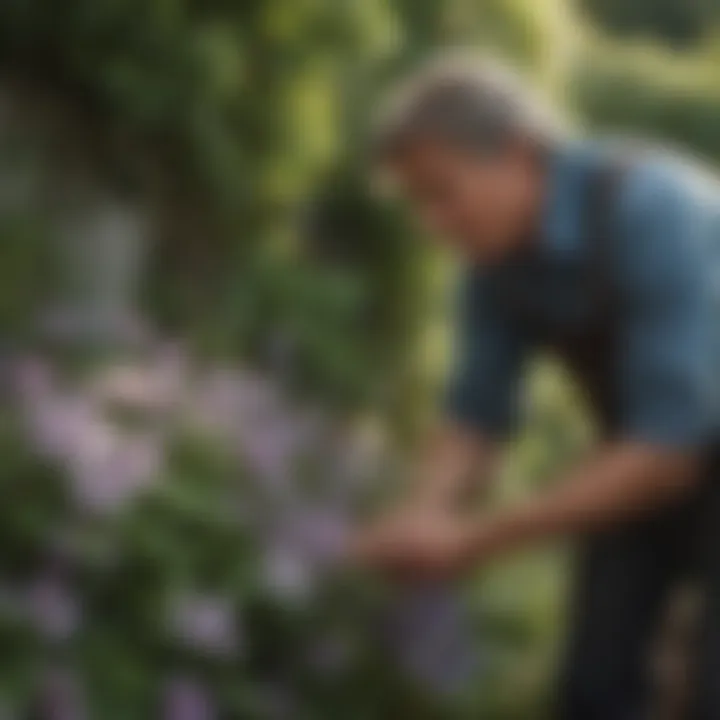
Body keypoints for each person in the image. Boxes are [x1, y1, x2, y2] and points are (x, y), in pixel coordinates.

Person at [352, 53, 720, 719]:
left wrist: (476, 540)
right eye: (418, 204)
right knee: (593, 689)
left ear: (519, 154)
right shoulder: (493, 268)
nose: (435, 222)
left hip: (672, 446)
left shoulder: (652, 209)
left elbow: (670, 450)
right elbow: (474, 413)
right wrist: (424, 511)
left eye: (443, 191)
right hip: (649, 452)